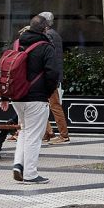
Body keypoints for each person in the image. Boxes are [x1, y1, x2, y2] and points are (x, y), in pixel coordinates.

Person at [11, 14, 59, 184]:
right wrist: (48, 92)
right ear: (45, 29)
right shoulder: (45, 47)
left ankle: (18, 164)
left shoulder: (17, 44)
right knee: (34, 136)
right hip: (36, 98)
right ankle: (30, 174)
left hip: (16, 97)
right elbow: (53, 73)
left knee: (24, 130)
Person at [38, 11, 70, 144]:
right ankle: (48, 132)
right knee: (42, 105)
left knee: (54, 105)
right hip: (52, 76)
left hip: (49, 77)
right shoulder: (54, 34)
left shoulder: (48, 35)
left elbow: (47, 57)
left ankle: (63, 135)